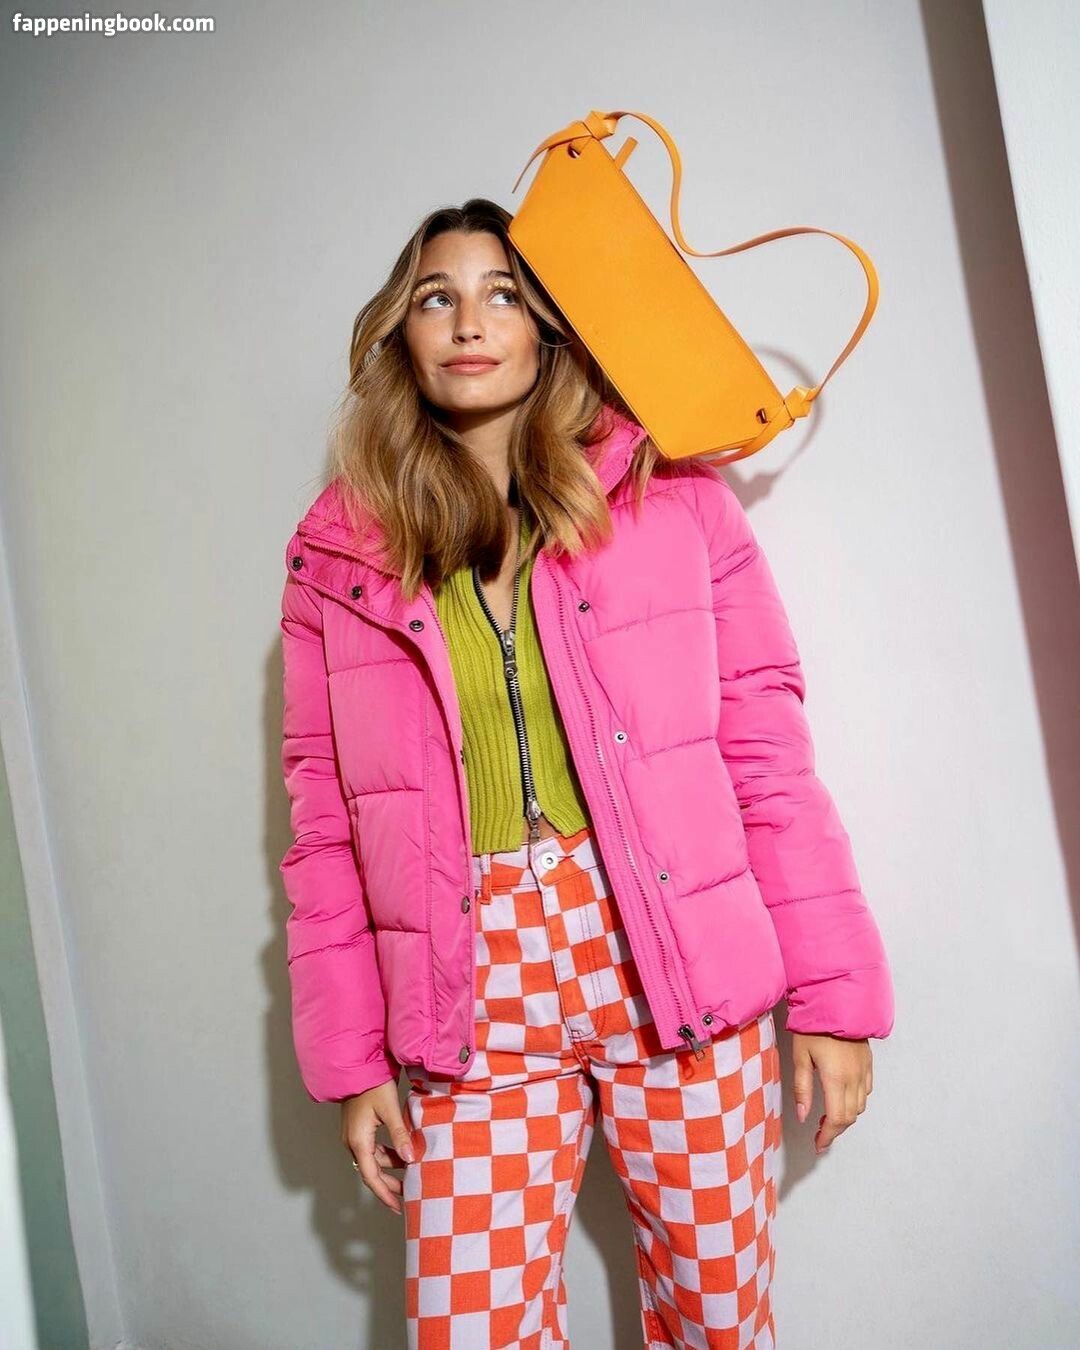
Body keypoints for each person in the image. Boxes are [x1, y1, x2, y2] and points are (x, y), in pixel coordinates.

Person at [278, 197, 895, 1350]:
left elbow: (765, 751)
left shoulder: (675, 500)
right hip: (470, 987)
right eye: (436, 297)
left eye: (503, 293)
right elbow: (324, 822)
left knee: (718, 1322)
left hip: (674, 968)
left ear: (550, 325)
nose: (470, 322)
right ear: (403, 334)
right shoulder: (341, 556)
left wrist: (836, 994)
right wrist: (351, 1060)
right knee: (469, 1330)